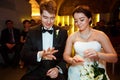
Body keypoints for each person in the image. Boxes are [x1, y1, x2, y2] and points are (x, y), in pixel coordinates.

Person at [63, 6, 118, 80]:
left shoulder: (100, 35)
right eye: (76, 21)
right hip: (76, 72)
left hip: (96, 72)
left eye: (81, 20)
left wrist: (98, 54)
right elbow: (66, 55)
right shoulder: (72, 36)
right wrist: (71, 60)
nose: (78, 23)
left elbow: (114, 58)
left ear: (89, 19)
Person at [20, 0, 68, 80]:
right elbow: (24, 55)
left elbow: (66, 56)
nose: (49, 22)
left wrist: (58, 69)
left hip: (55, 72)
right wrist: (40, 55)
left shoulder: (62, 32)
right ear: (40, 15)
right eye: (45, 17)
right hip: (35, 71)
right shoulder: (32, 31)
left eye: (52, 18)